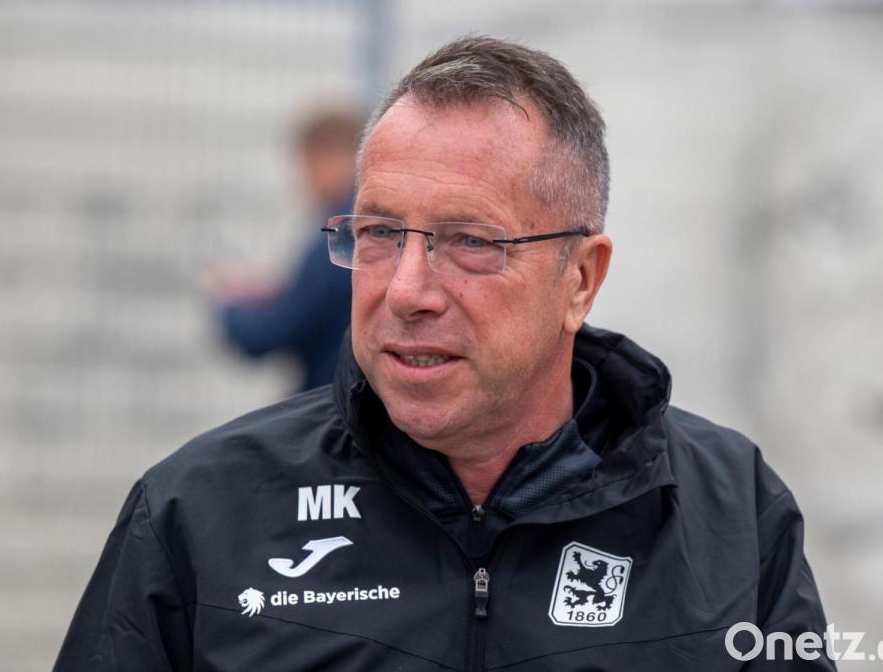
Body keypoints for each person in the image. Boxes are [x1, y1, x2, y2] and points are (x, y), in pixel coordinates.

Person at [56, 36, 834, 670]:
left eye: (470, 241)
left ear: (580, 280)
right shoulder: (200, 512)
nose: (406, 290)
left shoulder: (731, 516)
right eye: (379, 233)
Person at [209, 109, 361, 391]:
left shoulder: (343, 232)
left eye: (306, 165)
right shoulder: (373, 223)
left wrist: (230, 305)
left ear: (329, 157)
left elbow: (272, 332)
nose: (301, 181)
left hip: (332, 397)